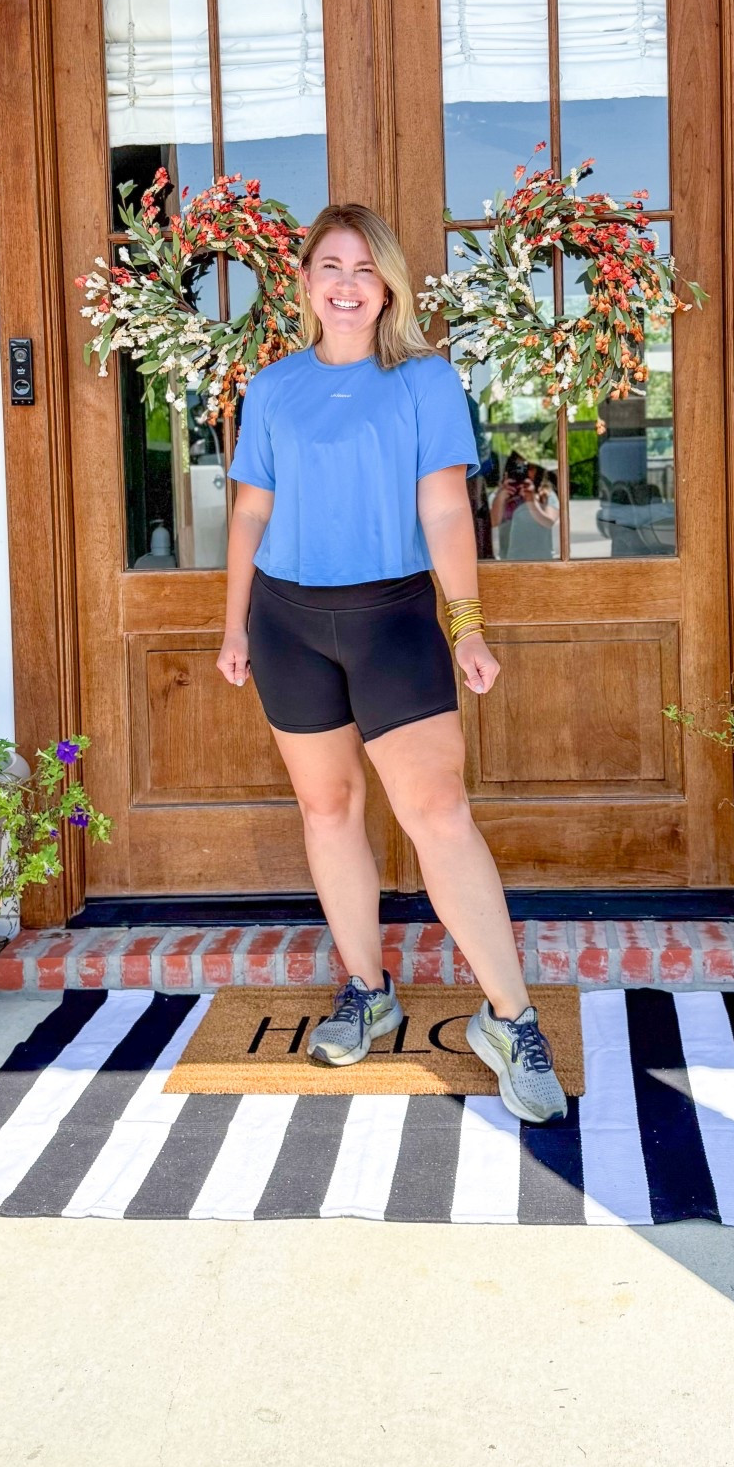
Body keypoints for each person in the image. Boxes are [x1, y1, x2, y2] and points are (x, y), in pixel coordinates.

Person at [216, 202, 567, 1124]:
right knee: (327, 809)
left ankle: (511, 1018)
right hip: (288, 621)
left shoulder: (424, 382)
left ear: (389, 288)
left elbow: (447, 512)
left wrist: (470, 627)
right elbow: (250, 514)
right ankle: (367, 989)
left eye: (363, 269)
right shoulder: (275, 388)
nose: (345, 284)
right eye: (328, 266)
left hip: (395, 618)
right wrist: (234, 625)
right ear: (303, 284)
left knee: (438, 814)